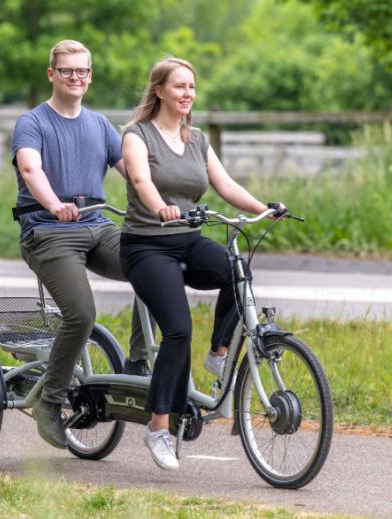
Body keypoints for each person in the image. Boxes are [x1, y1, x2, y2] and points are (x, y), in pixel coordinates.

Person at [120, 57, 286, 471]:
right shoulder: (137, 135)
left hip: (187, 239)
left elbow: (225, 184)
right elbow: (141, 181)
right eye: (179, 86)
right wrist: (160, 208)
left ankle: (219, 351)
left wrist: (263, 208)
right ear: (159, 90)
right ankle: (158, 427)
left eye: (192, 87)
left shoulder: (196, 139)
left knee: (237, 271)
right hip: (147, 245)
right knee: (178, 330)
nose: (187, 93)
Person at [11, 39, 151, 450]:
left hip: (96, 226)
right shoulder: (32, 123)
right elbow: (30, 168)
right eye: (67, 70)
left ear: (90, 76)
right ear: (51, 74)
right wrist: (54, 204)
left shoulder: (100, 125)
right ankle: (50, 403)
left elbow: (134, 173)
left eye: (83, 71)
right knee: (82, 314)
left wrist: (164, 203)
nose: (76, 77)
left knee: (153, 266)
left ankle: (138, 362)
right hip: (48, 231)